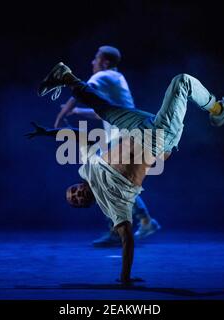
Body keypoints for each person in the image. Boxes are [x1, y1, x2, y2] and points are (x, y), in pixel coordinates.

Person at [28, 61, 224, 284]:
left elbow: (80, 136)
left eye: (73, 192)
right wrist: (124, 278)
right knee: (182, 81)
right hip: (158, 136)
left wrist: (48, 133)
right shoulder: (111, 204)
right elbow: (127, 239)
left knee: (103, 109)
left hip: (135, 126)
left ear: (77, 185)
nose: (77, 195)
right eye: (77, 200)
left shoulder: (88, 168)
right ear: (86, 204)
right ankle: (219, 110)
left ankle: (65, 75)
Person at [53, 46, 160, 247]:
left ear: (106, 62)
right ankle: (143, 222)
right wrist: (76, 111)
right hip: (128, 135)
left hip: (124, 136)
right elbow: (99, 113)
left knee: (101, 178)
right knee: (113, 183)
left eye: (96, 59)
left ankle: (125, 227)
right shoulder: (115, 80)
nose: (92, 63)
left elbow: (80, 89)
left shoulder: (106, 75)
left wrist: (61, 115)